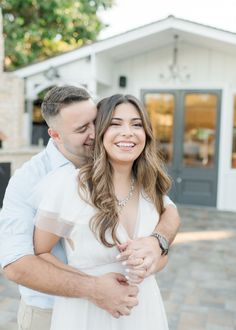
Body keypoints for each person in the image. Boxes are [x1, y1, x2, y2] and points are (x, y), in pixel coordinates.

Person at [0, 86, 180, 330]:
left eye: (97, 121)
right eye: (82, 128)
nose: (96, 133)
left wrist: (156, 244)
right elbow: (16, 264)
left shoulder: (134, 172)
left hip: (138, 308)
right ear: (55, 135)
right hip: (52, 309)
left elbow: (168, 212)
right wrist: (95, 289)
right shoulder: (36, 180)